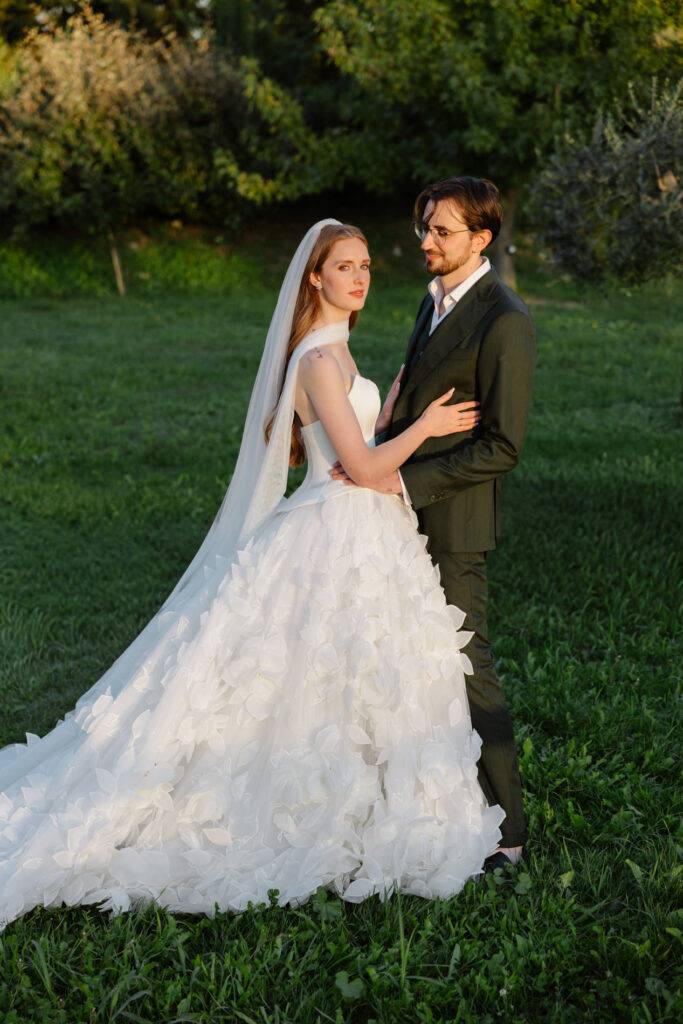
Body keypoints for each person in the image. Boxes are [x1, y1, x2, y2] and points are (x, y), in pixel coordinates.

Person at [0, 220, 504, 929]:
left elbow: (352, 441)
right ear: (314, 278)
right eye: (344, 267)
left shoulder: (333, 352)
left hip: (357, 525)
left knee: (350, 671)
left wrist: (389, 408)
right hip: (339, 524)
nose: (360, 278)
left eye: (365, 265)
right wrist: (427, 428)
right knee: (312, 667)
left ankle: (359, 790)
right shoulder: (317, 359)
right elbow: (360, 468)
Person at [333, 178, 536, 871]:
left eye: (440, 231)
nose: (425, 240)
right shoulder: (437, 299)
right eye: (424, 226)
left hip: (452, 523)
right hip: (398, 519)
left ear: (480, 239)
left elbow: (502, 445)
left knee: (465, 665)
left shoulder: (503, 320)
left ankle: (507, 831)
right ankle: (419, 798)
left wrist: (400, 480)